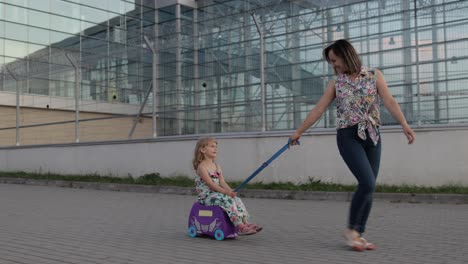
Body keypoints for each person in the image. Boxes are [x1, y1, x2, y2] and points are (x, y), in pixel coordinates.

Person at [289, 39, 415, 251]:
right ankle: (351, 231)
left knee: (369, 187)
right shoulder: (336, 83)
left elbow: (389, 101)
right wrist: (299, 131)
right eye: (331, 62)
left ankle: (358, 233)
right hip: (348, 136)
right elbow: (318, 109)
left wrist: (404, 124)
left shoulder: (375, 75)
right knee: (367, 182)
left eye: (334, 60)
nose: (333, 65)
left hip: (373, 135)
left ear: (345, 54)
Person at [192, 137, 262, 235]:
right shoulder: (202, 167)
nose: (215, 149)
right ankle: (239, 226)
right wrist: (225, 193)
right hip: (207, 196)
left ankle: (246, 223)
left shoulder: (217, 166)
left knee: (236, 200)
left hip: (217, 194)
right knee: (227, 200)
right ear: (203, 150)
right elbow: (211, 184)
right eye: (212, 146)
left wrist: (230, 192)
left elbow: (222, 182)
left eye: (216, 147)